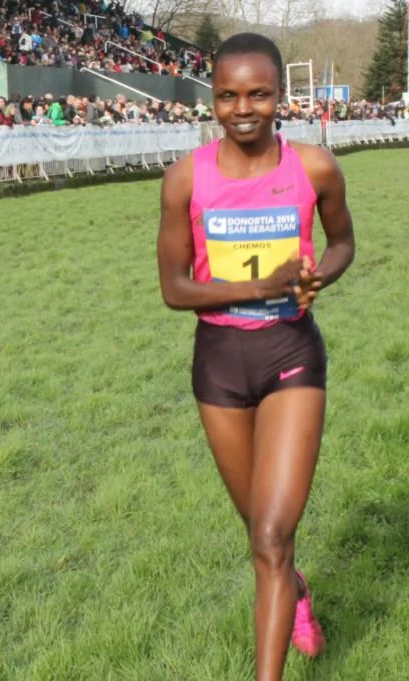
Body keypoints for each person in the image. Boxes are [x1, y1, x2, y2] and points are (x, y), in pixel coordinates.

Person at [157, 33, 355, 681]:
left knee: (271, 537)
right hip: (219, 364)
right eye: (227, 95)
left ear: (280, 95)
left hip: (290, 354)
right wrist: (257, 287)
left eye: (259, 94)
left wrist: (318, 276)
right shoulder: (186, 177)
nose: (243, 109)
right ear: (213, 99)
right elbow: (174, 289)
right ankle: (294, 588)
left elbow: (343, 242)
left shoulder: (315, 167)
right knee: (261, 532)